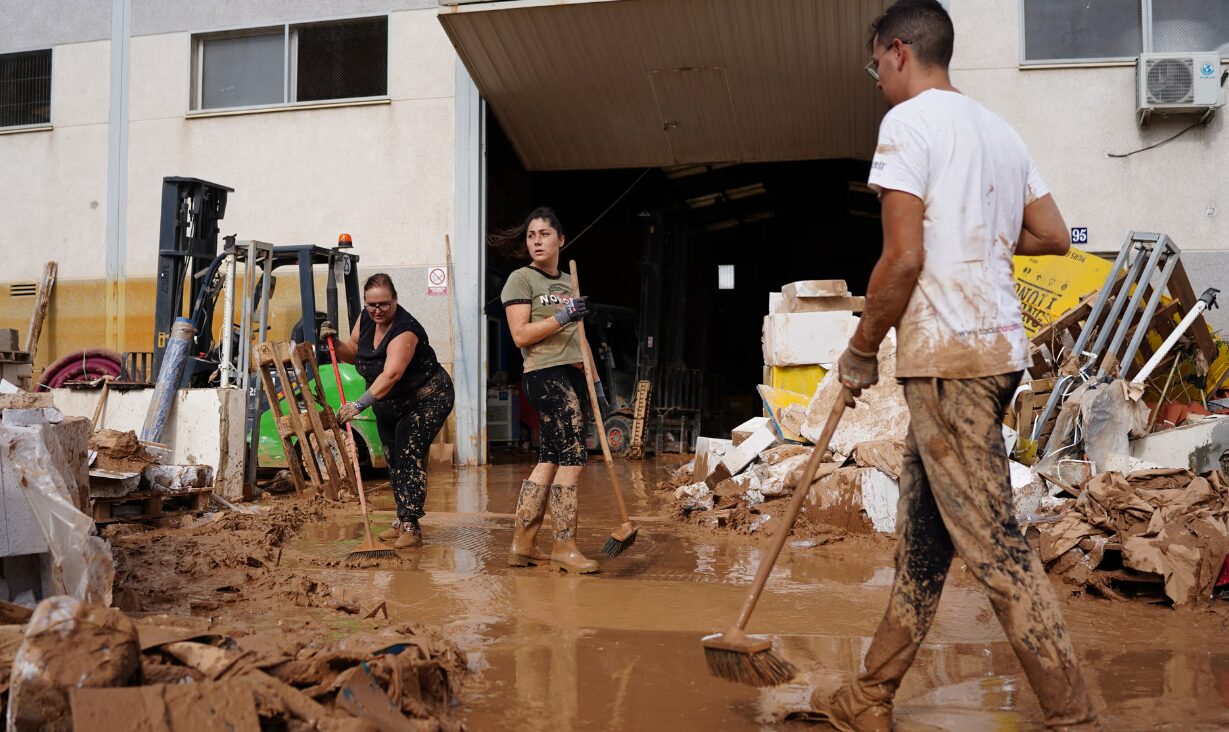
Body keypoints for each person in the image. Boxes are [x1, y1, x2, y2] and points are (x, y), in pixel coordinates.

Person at [810, 2, 1100, 730]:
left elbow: (901, 257)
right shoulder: (997, 129)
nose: (874, 78)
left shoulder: (907, 125)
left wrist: (858, 349)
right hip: (995, 353)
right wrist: (980, 236)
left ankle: (1073, 716)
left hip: (947, 356)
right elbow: (1053, 235)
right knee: (924, 539)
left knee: (994, 546)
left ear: (898, 50)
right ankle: (869, 696)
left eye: (874, 63)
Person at [499, 207, 610, 574]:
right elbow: (520, 336)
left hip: (574, 374)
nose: (537, 241)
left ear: (560, 239)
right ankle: (564, 545)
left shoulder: (567, 284)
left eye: (544, 234)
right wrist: (562, 316)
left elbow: (581, 340)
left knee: (548, 458)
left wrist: (596, 383)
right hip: (546, 375)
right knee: (573, 460)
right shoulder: (521, 279)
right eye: (532, 236)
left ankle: (524, 544)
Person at [322, 273, 454, 549]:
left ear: (395, 300)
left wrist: (358, 404)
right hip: (391, 401)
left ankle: (411, 526)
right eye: (372, 305)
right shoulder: (367, 318)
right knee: (392, 455)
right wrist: (333, 342)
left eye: (384, 304)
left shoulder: (404, 331)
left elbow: (391, 374)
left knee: (408, 450)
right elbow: (353, 352)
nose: (377, 311)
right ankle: (401, 518)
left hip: (427, 398)